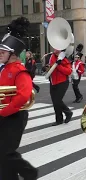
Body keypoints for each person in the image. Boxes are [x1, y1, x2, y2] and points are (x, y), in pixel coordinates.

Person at [0, 16, 38, 180]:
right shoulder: (4, 68)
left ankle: (30, 173)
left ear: (13, 54)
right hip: (4, 114)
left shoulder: (19, 71)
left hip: (14, 116)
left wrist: (4, 112)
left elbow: (23, 96)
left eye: (3, 52)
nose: (0, 54)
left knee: (7, 152)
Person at [47, 49, 73, 126]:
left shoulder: (64, 59)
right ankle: (59, 120)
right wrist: (46, 68)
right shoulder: (51, 57)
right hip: (53, 82)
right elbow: (50, 67)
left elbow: (68, 71)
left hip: (62, 82)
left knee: (57, 101)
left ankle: (68, 112)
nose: (54, 49)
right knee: (55, 102)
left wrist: (58, 65)